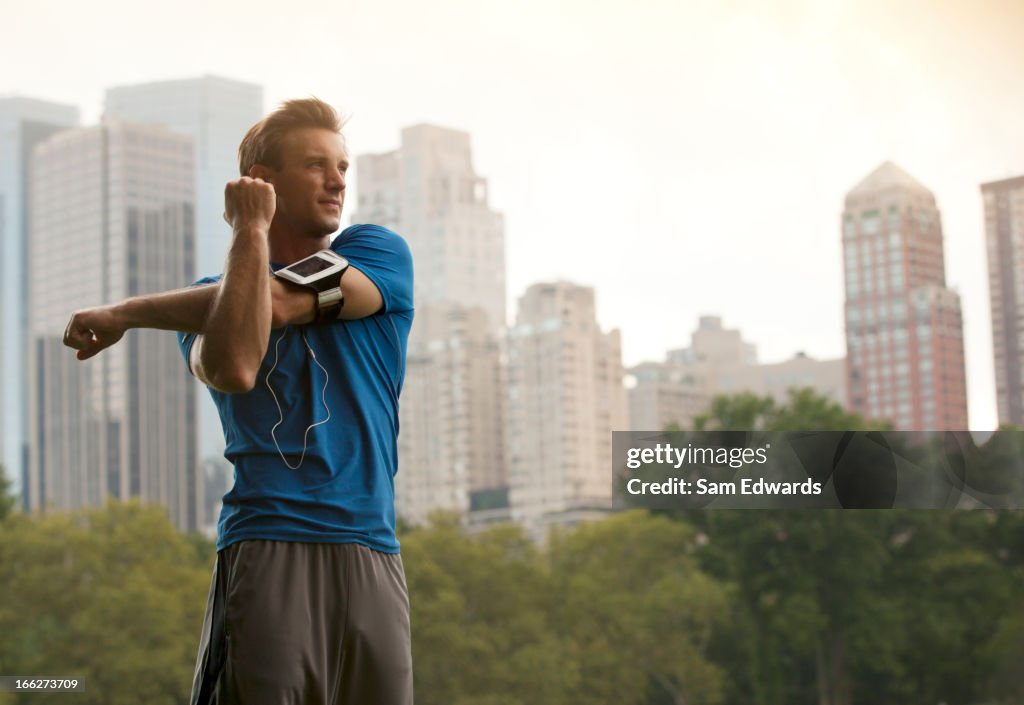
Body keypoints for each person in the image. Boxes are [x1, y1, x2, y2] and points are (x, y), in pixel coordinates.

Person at [62, 98, 415, 705]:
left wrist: (124, 312)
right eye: (316, 165)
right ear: (261, 184)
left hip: (373, 550)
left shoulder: (379, 253)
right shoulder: (211, 306)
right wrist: (250, 230)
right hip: (267, 545)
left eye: (342, 167)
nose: (337, 182)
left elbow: (277, 303)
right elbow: (234, 364)